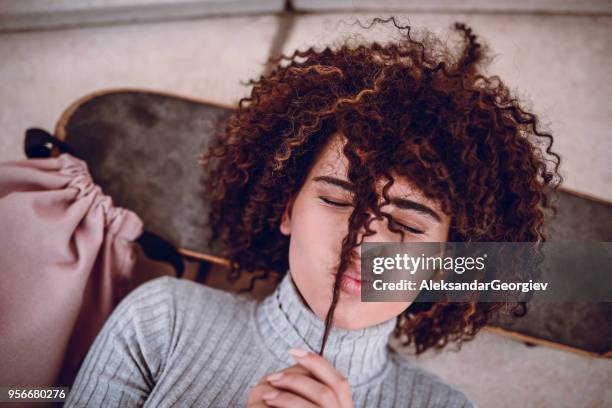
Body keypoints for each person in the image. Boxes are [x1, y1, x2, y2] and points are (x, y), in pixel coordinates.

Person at [65, 18, 561, 407]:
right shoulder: (162, 321)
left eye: (407, 226)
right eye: (337, 199)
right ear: (287, 209)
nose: (363, 243)